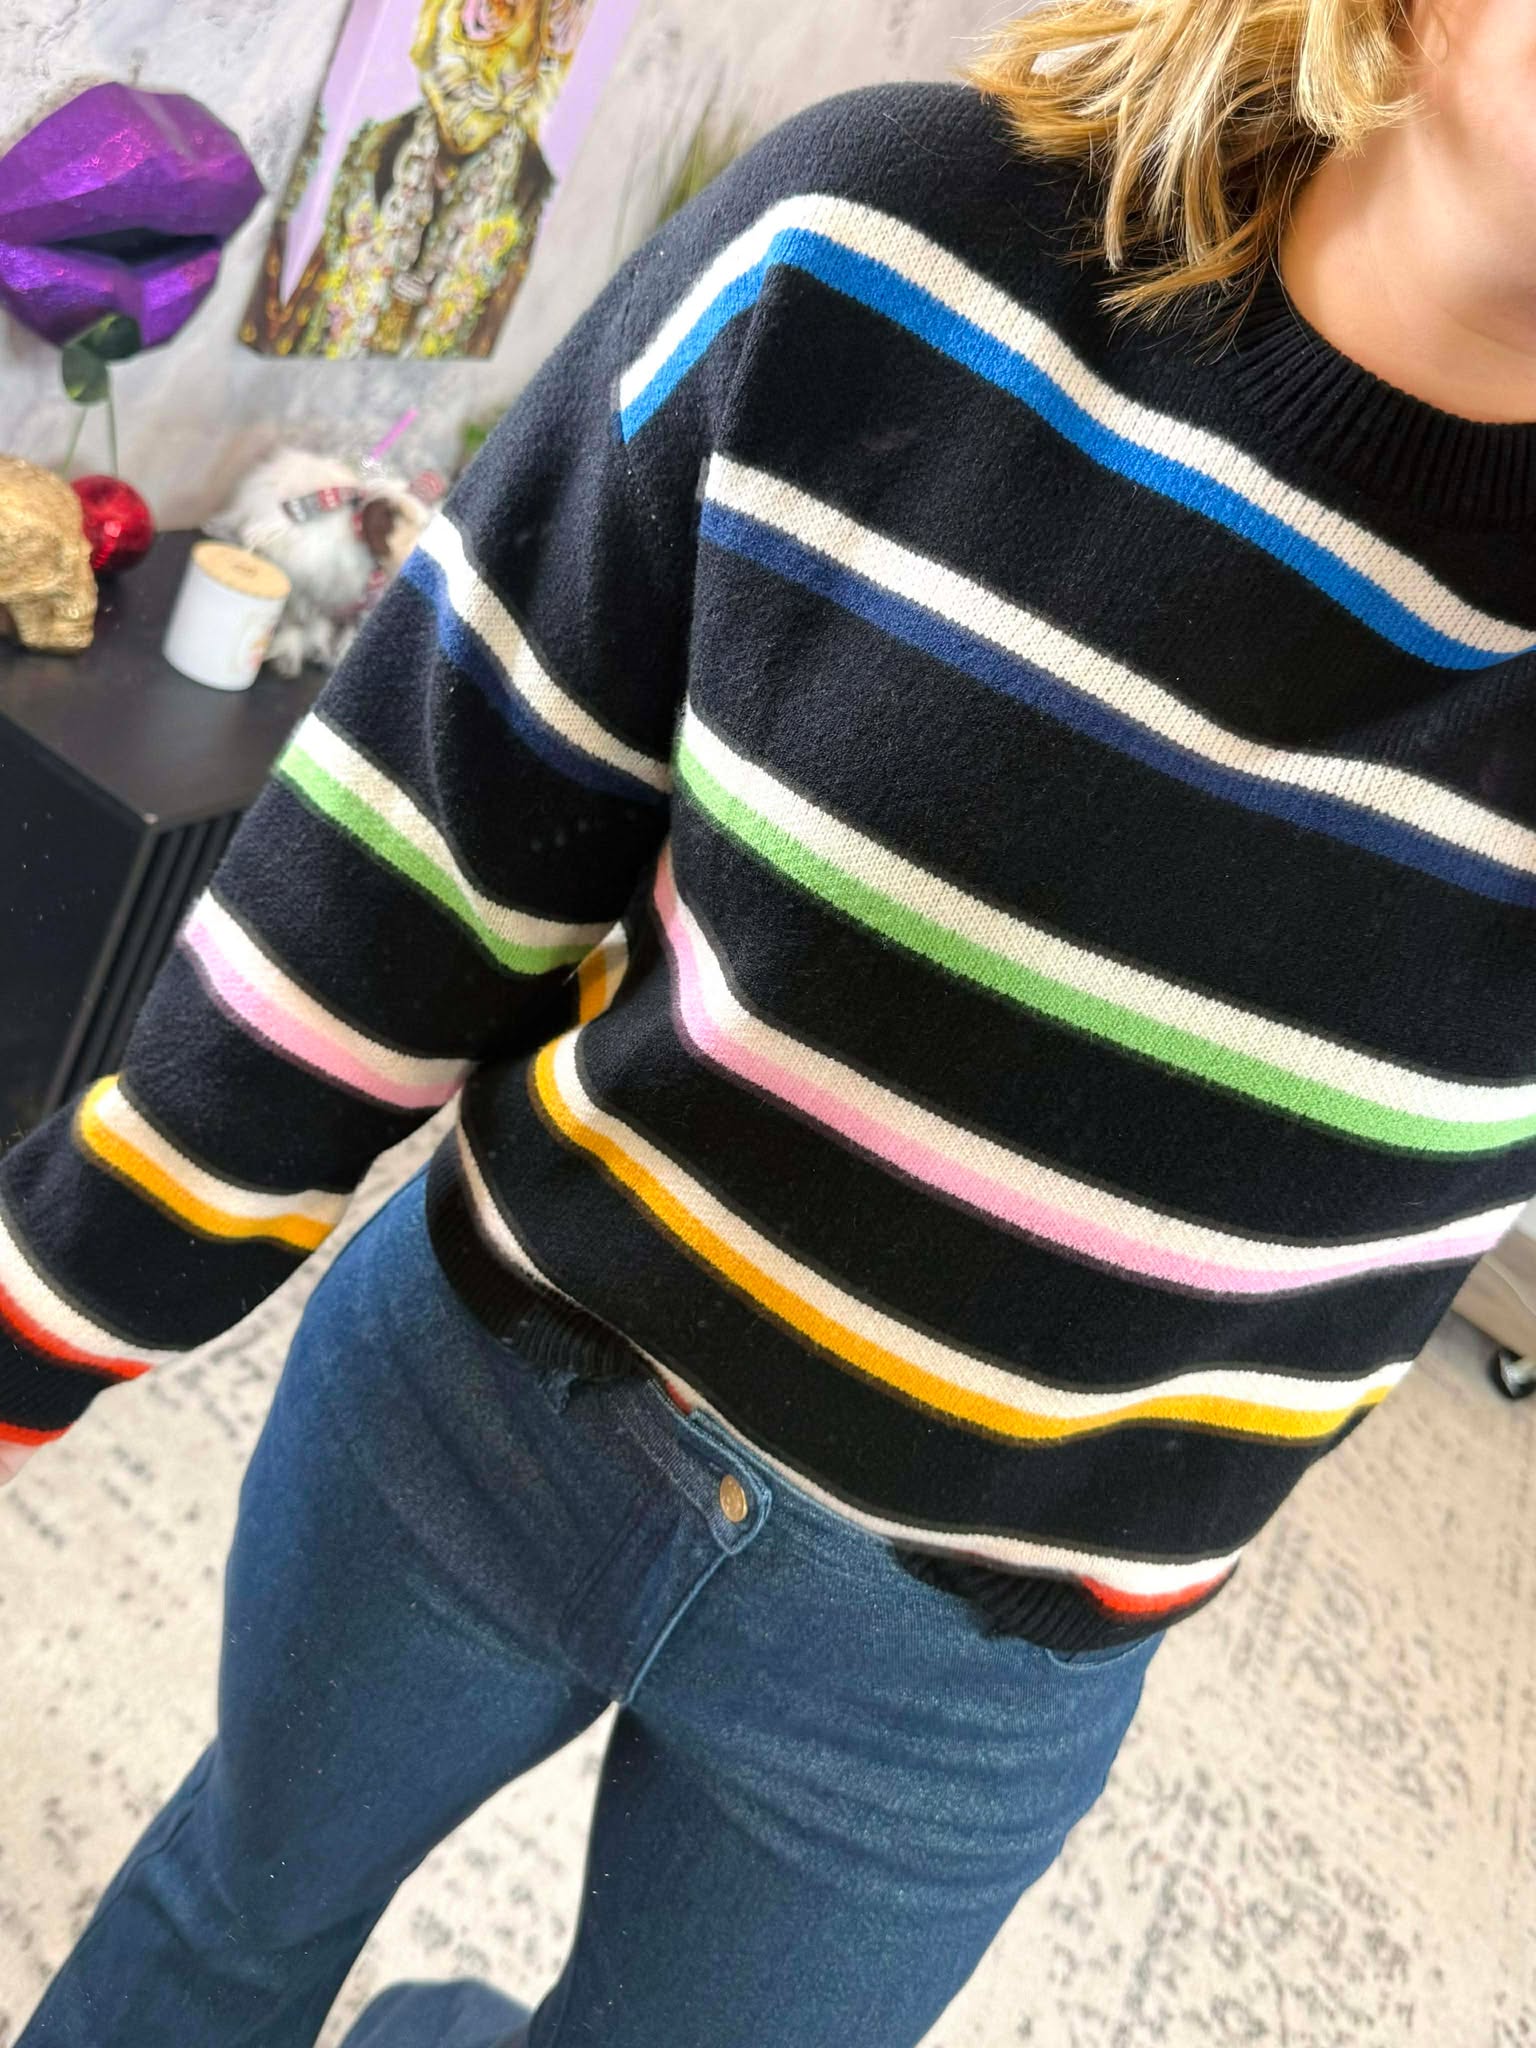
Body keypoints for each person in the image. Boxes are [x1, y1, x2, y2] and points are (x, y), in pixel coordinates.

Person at [4, 0, 1534, 2039]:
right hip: (489, 1406)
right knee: (224, 1923)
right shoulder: (887, 246)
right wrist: (59, 1296)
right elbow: (426, 855)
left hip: (964, 1679)